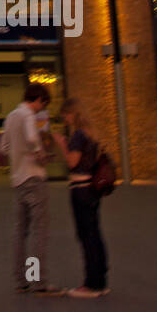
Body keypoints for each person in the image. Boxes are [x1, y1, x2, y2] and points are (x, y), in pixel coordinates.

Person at [0, 83, 63, 296]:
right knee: (39, 231)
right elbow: (33, 139)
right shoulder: (27, 116)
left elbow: (4, 148)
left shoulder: (10, 117)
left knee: (20, 231)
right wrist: (41, 154)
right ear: (38, 100)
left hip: (17, 179)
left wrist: (19, 155)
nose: (40, 110)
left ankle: (20, 280)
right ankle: (38, 281)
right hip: (34, 177)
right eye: (42, 105)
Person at [52, 99, 109, 299]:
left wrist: (62, 145)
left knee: (86, 235)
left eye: (65, 115)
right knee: (95, 234)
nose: (65, 120)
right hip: (92, 189)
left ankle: (90, 285)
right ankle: (100, 281)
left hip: (80, 189)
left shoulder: (77, 135)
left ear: (73, 114)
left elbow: (72, 162)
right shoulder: (91, 134)